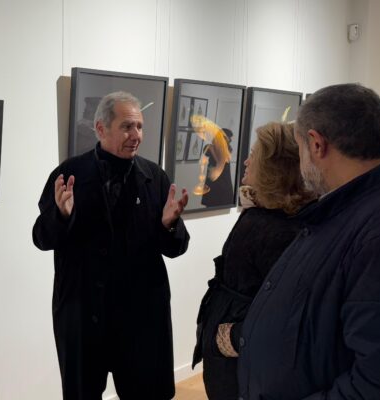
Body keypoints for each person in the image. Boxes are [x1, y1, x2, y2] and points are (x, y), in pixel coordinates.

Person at [237, 83, 380, 399]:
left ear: (316, 144)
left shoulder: (378, 228)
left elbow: (379, 381)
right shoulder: (345, 210)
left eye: (300, 150)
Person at [33, 91, 190, 399]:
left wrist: (168, 224)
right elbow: (41, 238)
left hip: (141, 318)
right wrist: (62, 216)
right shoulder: (69, 175)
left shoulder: (154, 177)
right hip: (84, 314)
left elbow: (175, 248)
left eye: (140, 127)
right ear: (101, 129)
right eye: (128, 127)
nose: (136, 136)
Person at [192, 122, 315, 399]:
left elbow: (284, 308)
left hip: (243, 359)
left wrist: (230, 338)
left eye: (254, 154)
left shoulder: (277, 227)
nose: (246, 161)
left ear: (275, 168)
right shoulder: (272, 215)